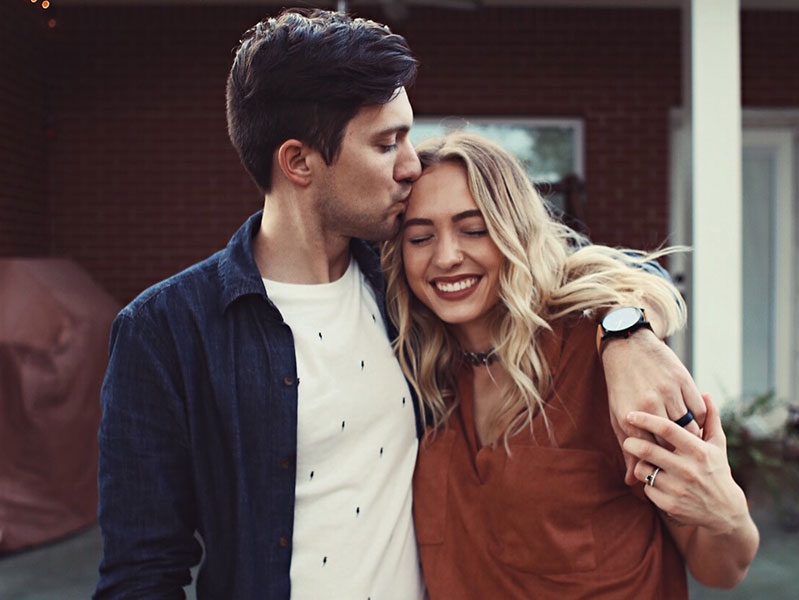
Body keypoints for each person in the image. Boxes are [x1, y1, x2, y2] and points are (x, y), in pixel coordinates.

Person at [95, 8, 708, 599]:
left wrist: (628, 331)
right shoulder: (165, 332)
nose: (412, 165)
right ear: (299, 162)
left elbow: (555, 263)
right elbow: (142, 573)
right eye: (387, 144)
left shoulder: (406, 294)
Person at [382, 132, 759, 599]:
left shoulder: (600, 358)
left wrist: (727, 514)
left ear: (515, 233)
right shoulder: (411, 370)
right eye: (420, 237)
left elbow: (720, 566)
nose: (445, 256)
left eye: (474, 229)